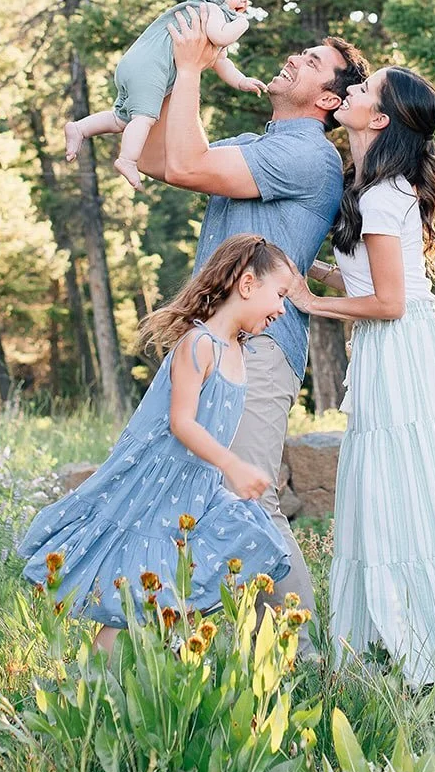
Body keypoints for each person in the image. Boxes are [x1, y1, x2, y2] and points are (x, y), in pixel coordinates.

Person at [135, 8, 369, 641]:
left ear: (327, 100)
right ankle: (213, 645)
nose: (294, 57)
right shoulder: (260, 143)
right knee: (196, 489)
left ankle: (302, 654)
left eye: (312, 62)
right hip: (211, 341)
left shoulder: (308, 155)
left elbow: (188, 165)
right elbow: (165, 160)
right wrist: (174, 72)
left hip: (259, 345)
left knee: (250, 494)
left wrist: (193, 68)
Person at [289, 66, 435, 688]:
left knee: (402, 486)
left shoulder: (385, 196)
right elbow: (371, 279)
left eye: (364, 91)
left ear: (380, 119)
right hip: (391, 346)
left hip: (402, 348)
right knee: (386, 487)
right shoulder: (370, 188)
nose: (352, 91)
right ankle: (390, 641)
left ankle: (426, 646)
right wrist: (314, 273)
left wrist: (312, 303)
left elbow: (389, 302)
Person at [17, 235, 295, 652]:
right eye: (280, 294)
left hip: (197, 490)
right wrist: (234, 465)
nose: (282, 309)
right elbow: (181, 423)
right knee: (138, 593)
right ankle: (92, 680)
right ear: (247, 284)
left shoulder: (239, 350)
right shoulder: (199, 344)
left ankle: (172, 666)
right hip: (159, 489)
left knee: (214, 564)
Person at [63, 0, 265, 187]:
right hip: (151, 69)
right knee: (144, 118)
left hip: (137, 65)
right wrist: (242, 23)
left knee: (121, 120)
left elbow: (220, 61)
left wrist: (241, 80)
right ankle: (127, 159)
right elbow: (221, 37)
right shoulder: (210, 8)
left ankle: (80, 128)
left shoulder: (199, 12)